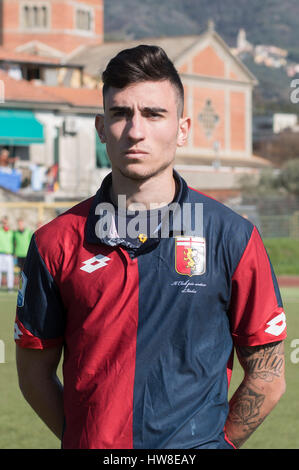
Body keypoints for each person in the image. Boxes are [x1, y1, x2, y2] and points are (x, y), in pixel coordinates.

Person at [15, 45, 286, 450]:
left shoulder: (234, 238)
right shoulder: (55, 241)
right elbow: (34, 376)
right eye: (120, 114)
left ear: (183, 129)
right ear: (101, 128)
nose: (135, 130)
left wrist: (215, 445)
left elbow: (267, 375)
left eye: (154, 114)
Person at [0, 216, 15, 291]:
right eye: (3, 222)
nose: (4, 223)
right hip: (0, 254)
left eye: (6, 222)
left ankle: (10, 287)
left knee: (10, 272)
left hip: (9, 254)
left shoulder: (12, 232)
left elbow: (15, 243)